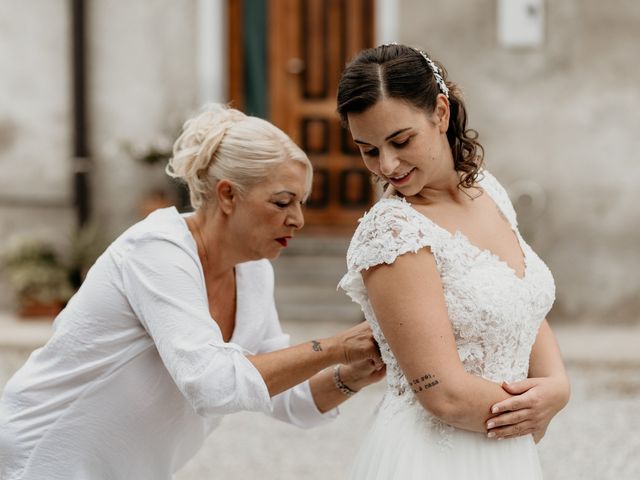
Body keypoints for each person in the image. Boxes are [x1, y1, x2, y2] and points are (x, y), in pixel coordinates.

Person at [0, 104, 385, 479]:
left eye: (301, 203)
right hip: (43, 456)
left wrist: (353, 374)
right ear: (228, 195)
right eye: (282, 202)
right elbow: (211, 384)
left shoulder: (253, 272)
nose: (298, 219)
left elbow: (283, 393)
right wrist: (335, 346)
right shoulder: (156, 249)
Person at [336, 43, 570, 479]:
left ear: (440, 113)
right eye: (368, 150)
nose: (387, 165)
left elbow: (520, 301)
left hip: (504, 445)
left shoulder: (487, 191)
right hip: (432, 456)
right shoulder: (393, 233)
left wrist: (557, 387)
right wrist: (529, 413)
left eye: (400, 141)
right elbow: (443, 395)